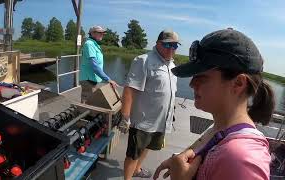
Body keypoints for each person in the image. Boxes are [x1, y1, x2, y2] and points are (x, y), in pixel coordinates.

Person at [153, 28, 275, 180]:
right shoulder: (220, 129)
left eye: (202, 77)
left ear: (238, 83)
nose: (192, 84)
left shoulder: (241, 159)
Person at [120, 29, 180, 179]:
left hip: (160, 121)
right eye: (168, 45)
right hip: (143, 120)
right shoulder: (143, 60)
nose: (171, 49)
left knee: (148, 147)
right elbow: (129, 90)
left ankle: (137, 170)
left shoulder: (172, 65)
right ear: (158, 43)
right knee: (133, 154)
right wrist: (125, 117)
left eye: (175, 46)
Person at [80, 25, 118, 103]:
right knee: (86, 104)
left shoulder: (94, 44)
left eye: (103, 33)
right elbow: (95, 66)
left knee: (91, 103)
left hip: (92, 79)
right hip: (88, 80)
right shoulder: (89, 44)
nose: (102, 35)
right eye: (100, 33)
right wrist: (108, 80)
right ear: (92, 33)